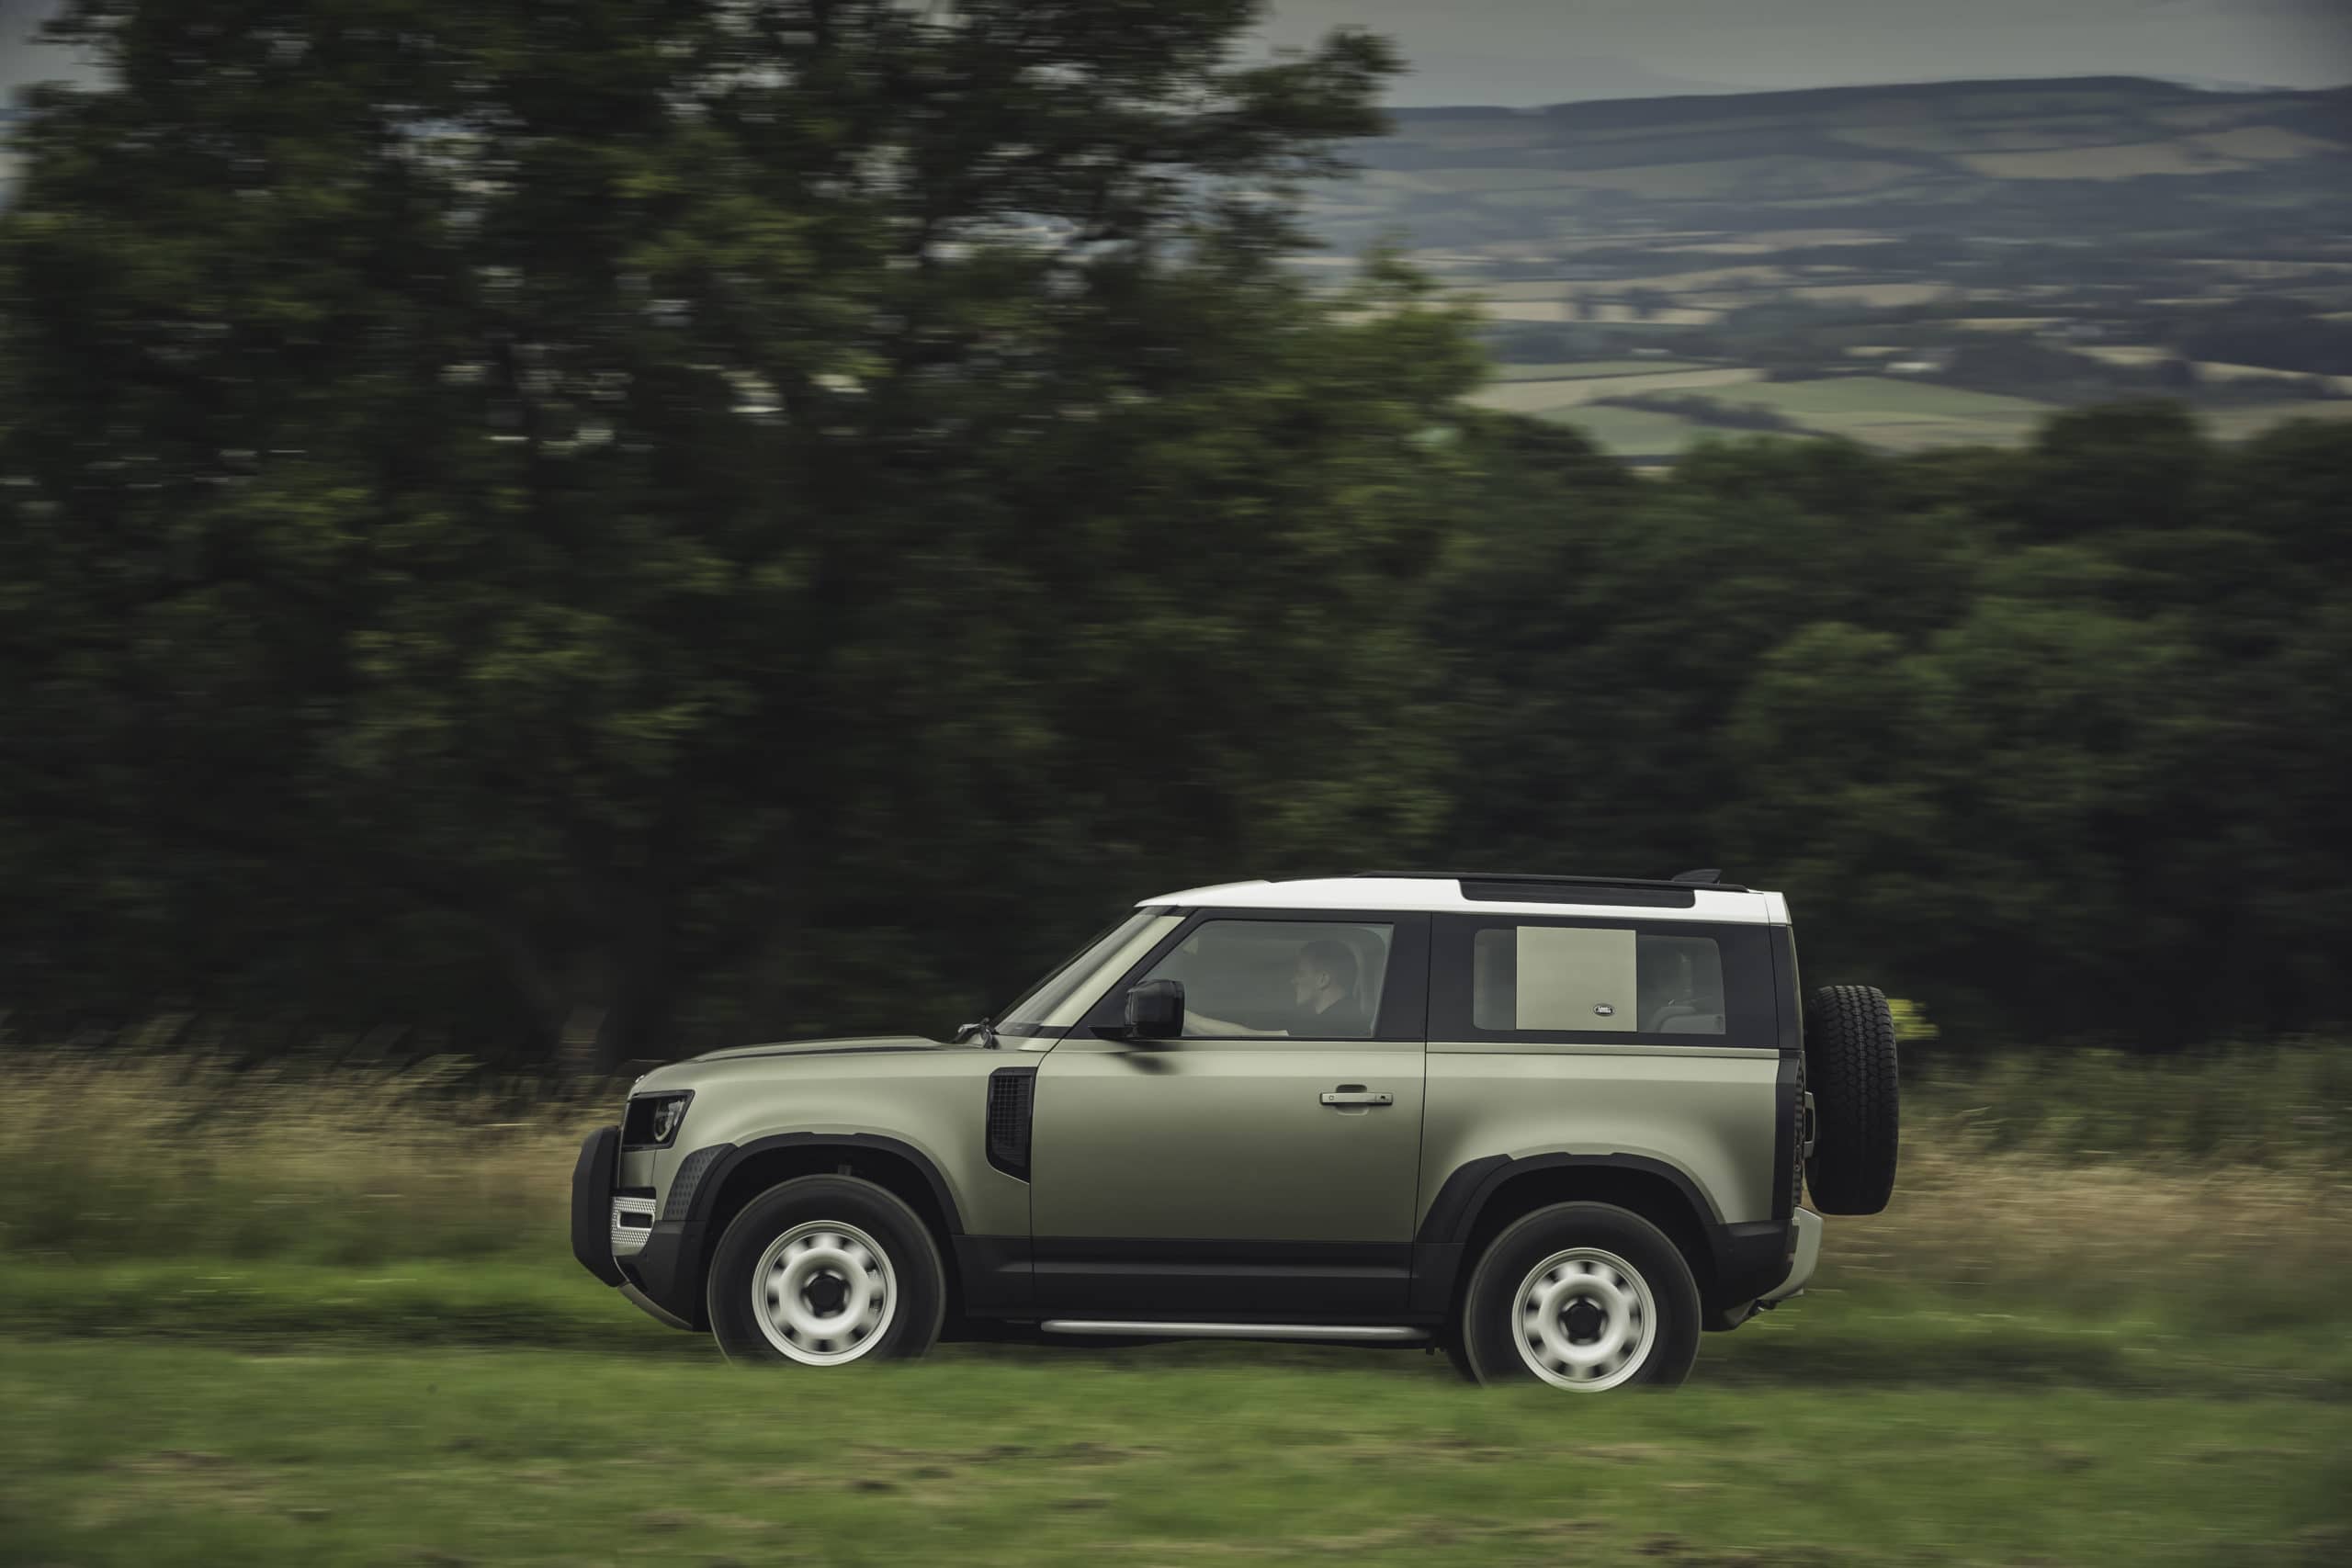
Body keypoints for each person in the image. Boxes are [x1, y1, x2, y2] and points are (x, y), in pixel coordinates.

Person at [1291, 939, 1372, 1037]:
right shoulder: (1353, 1021)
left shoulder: (1327, 1032)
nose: (1293, 981)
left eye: (1300, 973)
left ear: (1323, 980)